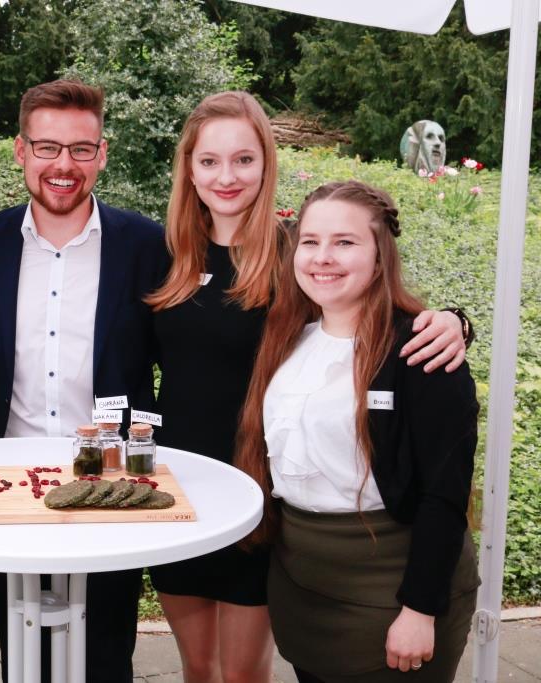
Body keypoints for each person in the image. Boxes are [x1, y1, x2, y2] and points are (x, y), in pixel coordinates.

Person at [144, 91, 471, 683]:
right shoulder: (162, 254)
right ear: (188, 168)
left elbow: (377, 305)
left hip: (262, 495)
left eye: (244, 159)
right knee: (198, 668)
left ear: (267, 164)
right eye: (209, 160)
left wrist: (453, 321)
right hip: (182, 486)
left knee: (243, 673)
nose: (226, 176)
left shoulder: (298, 252)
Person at [0, 79, 168, 682]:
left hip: (112, 483)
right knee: (22, 648)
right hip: (5, 478)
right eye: (47, 147)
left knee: (106, 652)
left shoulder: (146, 244)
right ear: (21, 151)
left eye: (81, 149)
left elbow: (197, 339)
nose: (63, 165)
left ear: (102, 154)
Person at [235, 180, 480, 683]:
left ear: (380, 254)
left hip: (390, 594)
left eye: (345, 242)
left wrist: (420, 610)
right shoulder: (289, 337)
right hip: (304, 590)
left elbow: (444, 493)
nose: (323, 257)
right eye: (310, 241)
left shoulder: (421, 351)